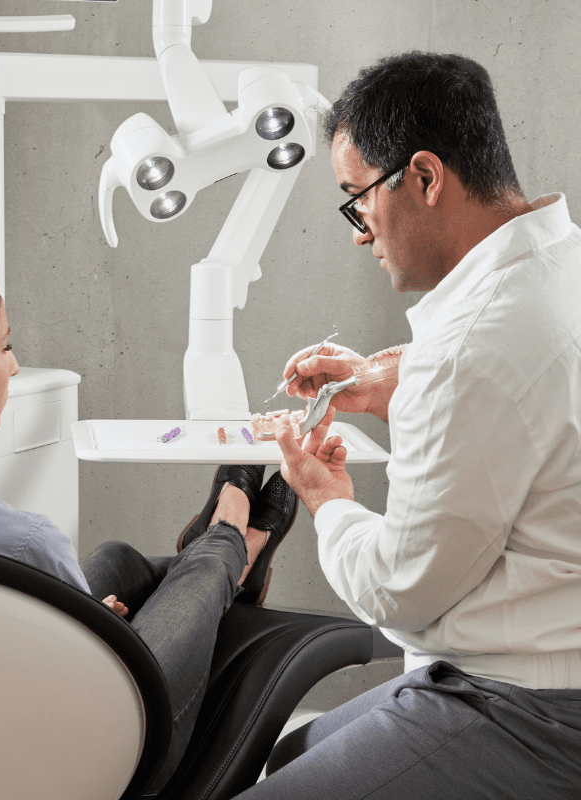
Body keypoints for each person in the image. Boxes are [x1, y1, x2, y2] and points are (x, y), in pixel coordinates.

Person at [0, 249, 306, 795]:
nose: (11, 364)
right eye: (4, 346)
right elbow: (90, 680)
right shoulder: (17, 542)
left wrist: (72, 626)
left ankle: (215, 546)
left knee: (117, 560)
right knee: (201, 570)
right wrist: (88, 637)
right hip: (95, 759)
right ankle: (232, 539)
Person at [230, 52, 581, 798]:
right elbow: (537, 415)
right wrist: (406, 382)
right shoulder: (561, 266)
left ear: (423, 178)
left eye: (357, 199)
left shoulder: (468, 352)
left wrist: (325, 498)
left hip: (533, 708)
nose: (359, 232)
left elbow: (399, 591)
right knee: (299, 753)